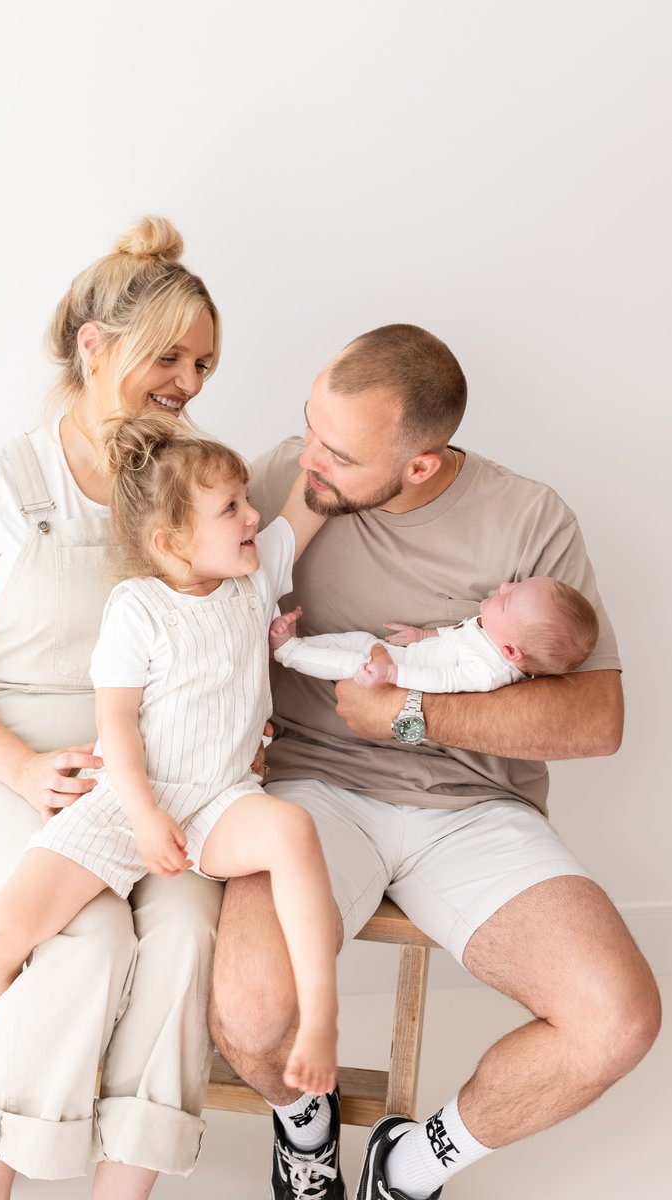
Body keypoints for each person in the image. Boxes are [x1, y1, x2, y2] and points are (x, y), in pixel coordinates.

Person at [208, 323, 661, 1200]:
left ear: (420, 464)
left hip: (472, 812)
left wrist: (410, 714)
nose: (309, 459)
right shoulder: (279, 481)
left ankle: (404, 1168)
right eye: (309, 425)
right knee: (250, 1015)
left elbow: (595, 720)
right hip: (311, 790)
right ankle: (305, 1133)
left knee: (616, 1022)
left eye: (338, 452)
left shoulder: (528, 517)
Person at [0, 216, 230, 1200]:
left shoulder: (190, 480)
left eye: (204, 363)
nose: (187, 382)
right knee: (87, 939)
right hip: (17, 766)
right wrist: (20, 769)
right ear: (95, 347)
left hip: (157, 771)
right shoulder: (1, 484)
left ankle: (120, 1189)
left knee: (180, 933)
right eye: (167, 356)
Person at [0, 413, 338, 1097]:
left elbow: (307, 505)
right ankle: (9, 1010)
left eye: (246, 500)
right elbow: (114, 720)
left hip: (219, 798)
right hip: (128, 801)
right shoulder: (137, 607)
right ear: (172, 541)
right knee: (5, 933)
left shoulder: (253, 580)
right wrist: (143, 815)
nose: (253, 515)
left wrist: (330, 446)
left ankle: (319, 1011)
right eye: (230, 507)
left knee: (292, 829)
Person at [269, 575, 599, 692]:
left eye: (509, 597)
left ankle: (287, 653)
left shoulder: (487, 672)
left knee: (350, 663)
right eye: (517, 584)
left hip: (397, 674)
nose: (504, 585)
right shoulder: (493, 631)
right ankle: (298, 644)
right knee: (358, 640)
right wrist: (422, 637)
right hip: (398, 654)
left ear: (511, 653)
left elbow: (443, 682)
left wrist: (393, 674)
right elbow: (454, 635)